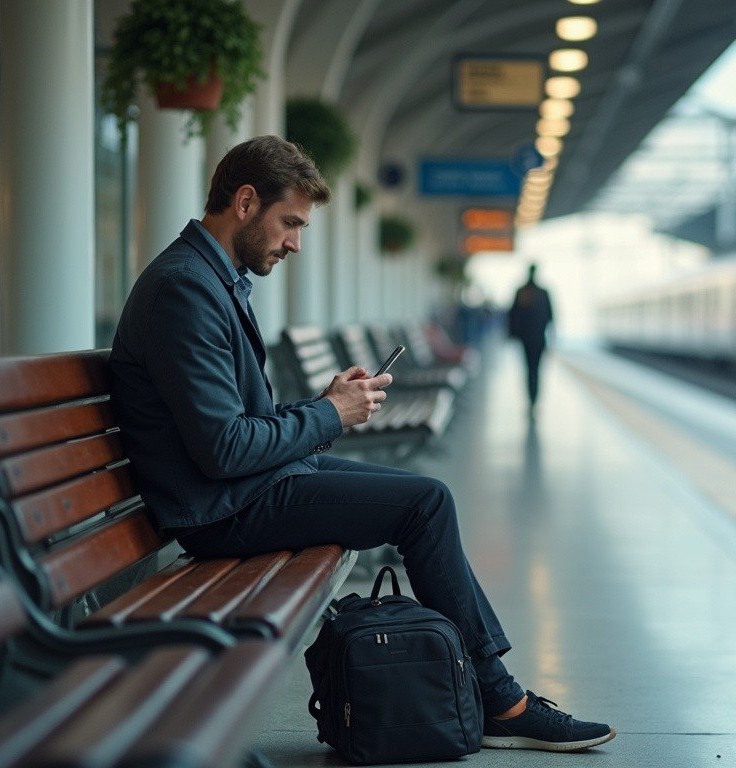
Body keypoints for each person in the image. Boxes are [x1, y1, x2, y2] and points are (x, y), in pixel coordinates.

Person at [108, 136, 614, 753]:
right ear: (244, 202)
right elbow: (225, 449)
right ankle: (501, 700)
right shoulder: (185, 289)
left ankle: (498, 695)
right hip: (223, 508)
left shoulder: (210, 278)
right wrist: (328, 415)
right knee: (424, 502)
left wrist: (323, 404)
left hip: (241, 490)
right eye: (289, 222)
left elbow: (241, 425)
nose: (294, 242)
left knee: (425, 499)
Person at [507, 264, 554, 409]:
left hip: (525, 338)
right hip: (538, 338)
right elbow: (551, 316)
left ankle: (531, 397)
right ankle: (534, 398)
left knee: (529, 369)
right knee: (536, 369)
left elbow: (513, 315)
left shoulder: (522, 291)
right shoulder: (543, 292)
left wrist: (512, 334)